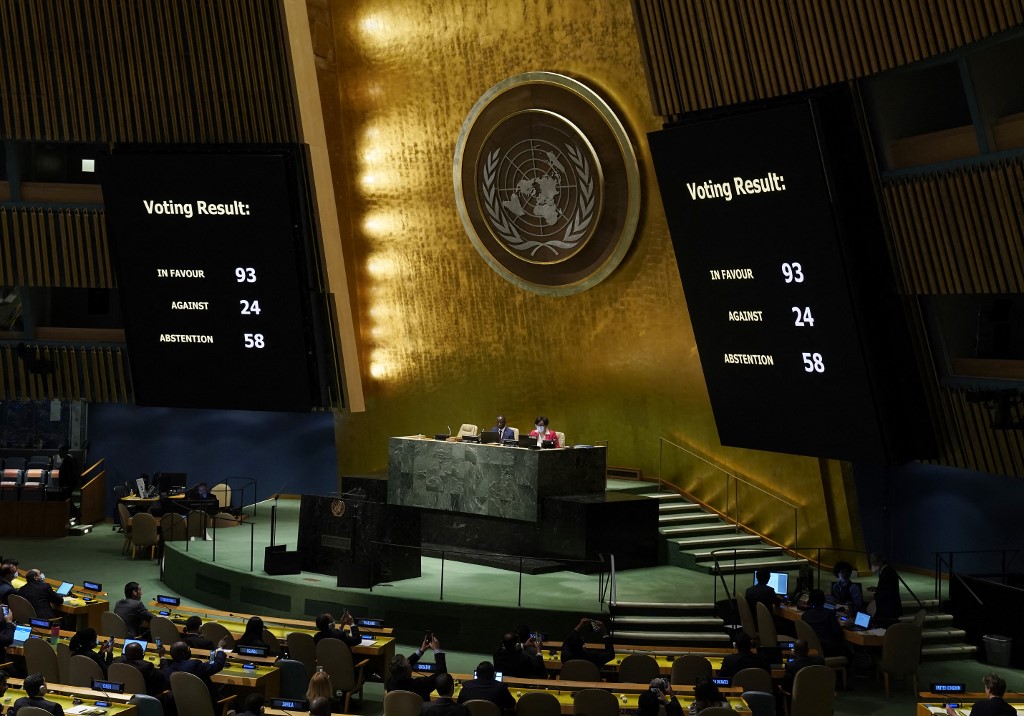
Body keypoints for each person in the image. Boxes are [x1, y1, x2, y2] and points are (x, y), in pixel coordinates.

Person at [161, 639, 228, 707]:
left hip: (186, 707)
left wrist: (213, 653)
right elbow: (217, 665)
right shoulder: (194, 665)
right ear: (184, 654)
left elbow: (210, 665)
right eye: (188, 649)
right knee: (231, 701)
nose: (190, 650)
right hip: (209, 705)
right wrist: (220, 648)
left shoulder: (169, 672)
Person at [385, 633, 448, 699]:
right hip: (419, 709)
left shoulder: (390, 683)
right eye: (408, 663)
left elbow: (401, 666)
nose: (408, 661)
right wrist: (437, 650)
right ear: (409, 671)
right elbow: (442, 675)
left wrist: (421, 650)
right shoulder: (419, 685)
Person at [800, 588, 845, 657]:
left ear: (810, 600)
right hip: (828, 649)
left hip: (810, 647)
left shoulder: (805, 615)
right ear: (824, 600)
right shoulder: (830, 614)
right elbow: (837, 632)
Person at [947, 673, 1015, 715]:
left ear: (989, 689)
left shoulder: (980, 706)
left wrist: (953, 714)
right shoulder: (1011, 711)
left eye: (985, 687)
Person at [869, 552, 903, 628]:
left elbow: (888, 591)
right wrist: (877, 589)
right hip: (888, 607)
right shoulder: (885, 571)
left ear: (880, 562)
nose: (872, 564)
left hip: (889, 608)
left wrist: (876, 594)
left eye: (874, 562)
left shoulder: (887, 572)